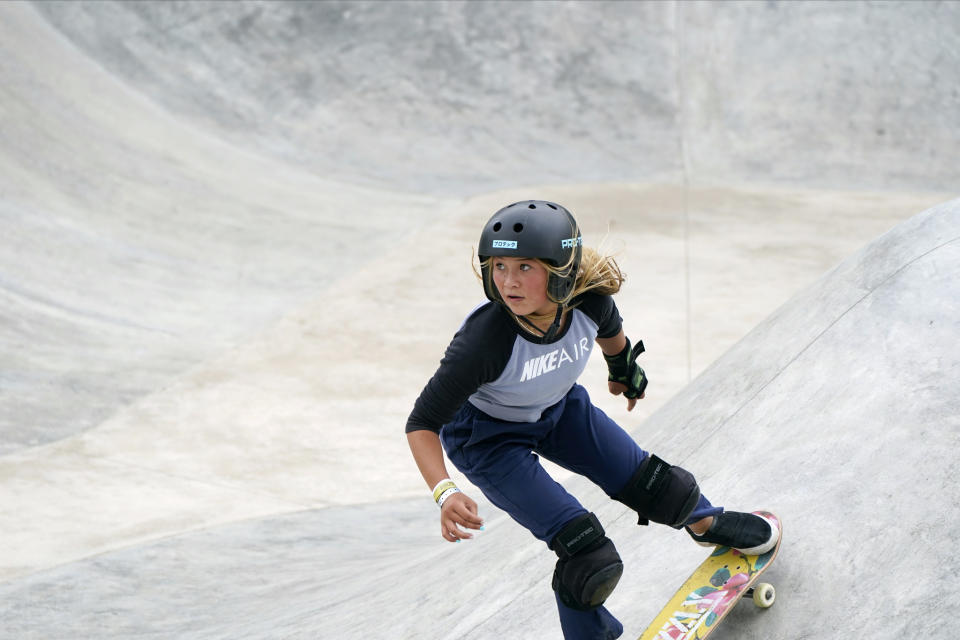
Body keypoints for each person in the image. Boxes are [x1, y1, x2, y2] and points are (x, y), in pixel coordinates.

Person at [405, 200, 779, 640]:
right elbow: (421, 422)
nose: (508, 281)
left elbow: (614, 341)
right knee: (589, 558)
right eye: (499, 266)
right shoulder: (483, 342)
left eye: (525, 266)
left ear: (561, 271)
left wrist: (625, 375)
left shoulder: (590, 303)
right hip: (487, 439)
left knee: (658, 484)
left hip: (561, 410)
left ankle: (705, 523)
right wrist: (444, 492)